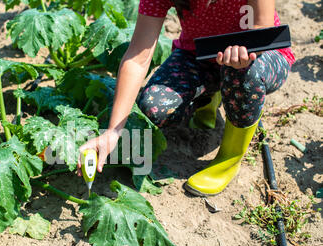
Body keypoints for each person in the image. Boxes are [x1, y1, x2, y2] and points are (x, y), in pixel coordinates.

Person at [78, 0, 295, 196]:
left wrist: (245, 54)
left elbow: (263, 30)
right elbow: (137, 59)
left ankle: (229, 157)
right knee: (154, 107)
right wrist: (113, 131)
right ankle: (210, 97)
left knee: (243, 74)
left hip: (260, 55)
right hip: (200, 55)